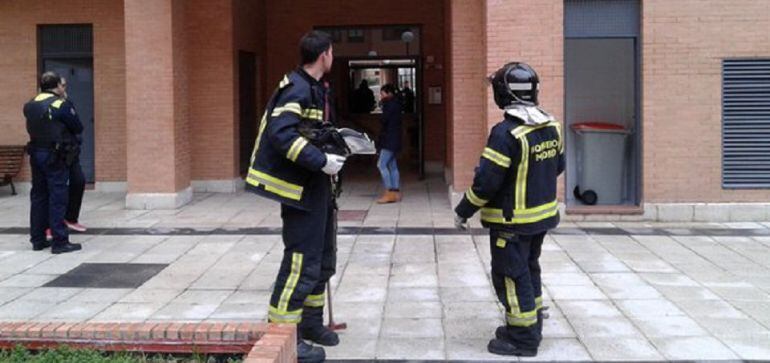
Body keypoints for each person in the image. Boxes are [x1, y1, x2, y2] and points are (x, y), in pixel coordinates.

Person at [245, 30, 344, 363]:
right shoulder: (297, 88)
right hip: (300, 191)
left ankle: (311, 324)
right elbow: (281, 134)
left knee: (322, 259)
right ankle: (284, 334)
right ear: (324, 55)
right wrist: (322, 161)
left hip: (317, 188)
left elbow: (311, 133)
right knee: (301, 261)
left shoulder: (313, 88)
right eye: (332, 52)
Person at [453, 62, 564, 357]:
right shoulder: (551, 125)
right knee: (529, 270)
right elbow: (558, 166)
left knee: (512, 277)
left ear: (503, 94)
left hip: (511, 223)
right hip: (541, 218)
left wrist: (463, 210)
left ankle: (522, 338)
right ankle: (532, 324)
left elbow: (486, 183)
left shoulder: (505, 133)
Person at [23, 71, 83, 254]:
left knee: (38, 196)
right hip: (55, 156)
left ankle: (38, 239)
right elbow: (77, 126)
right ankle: (60, 241)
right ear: (57, 86)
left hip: (36, 153)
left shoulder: (30, 104)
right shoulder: (60, 104)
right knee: (58, 197)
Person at [376, 83, 402, 204]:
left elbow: (384, 121)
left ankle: (389, 192)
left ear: (388, 93)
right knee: (392, 166)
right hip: (396, 139)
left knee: (381, 165)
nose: (381, 96)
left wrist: (382, 107)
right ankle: (396, 192)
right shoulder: (397, 104)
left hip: (388, 140)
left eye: (382, 94)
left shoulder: (388, 105)